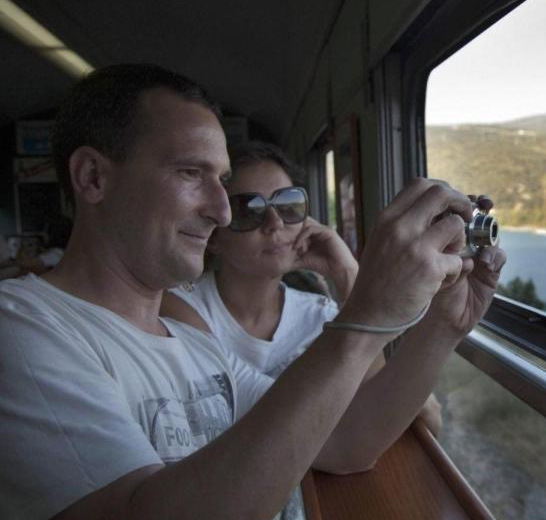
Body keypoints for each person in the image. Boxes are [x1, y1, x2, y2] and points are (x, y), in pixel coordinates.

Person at [0, 63, 506, 520]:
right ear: (92, 177)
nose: (224, 211)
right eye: (190, 173)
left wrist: (441, 328)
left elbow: (346, 442)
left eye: (222, 179)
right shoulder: (9, 331)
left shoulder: (189, 336)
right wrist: (366, 316)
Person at [162, 141, 444, 435]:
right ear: (215, 236)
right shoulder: (180, 310)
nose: (275, 223)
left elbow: (382, 410)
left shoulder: (324, 317)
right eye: (248, 210)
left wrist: (348, 274)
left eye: (287, 205)